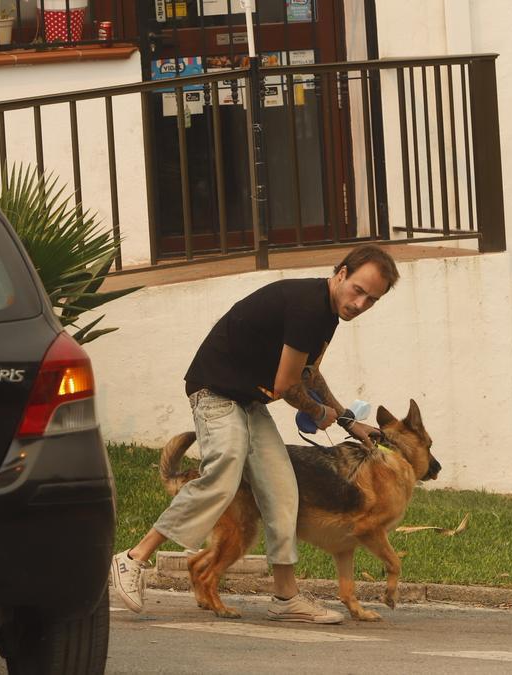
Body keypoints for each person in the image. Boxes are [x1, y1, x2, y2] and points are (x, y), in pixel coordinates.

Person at [109, 244, 399, 624]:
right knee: (223, 473)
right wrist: (320, 412)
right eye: (358, 290)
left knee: (282, 488)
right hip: (214, 391)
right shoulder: (309, 307)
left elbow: (308, 374)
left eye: (371, 300)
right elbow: (286, 386)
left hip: (247, 401)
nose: (360, 303)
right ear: (341, 273)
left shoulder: (326, 314)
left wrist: (346, 419)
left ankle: (285, 597)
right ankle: (132, 559)